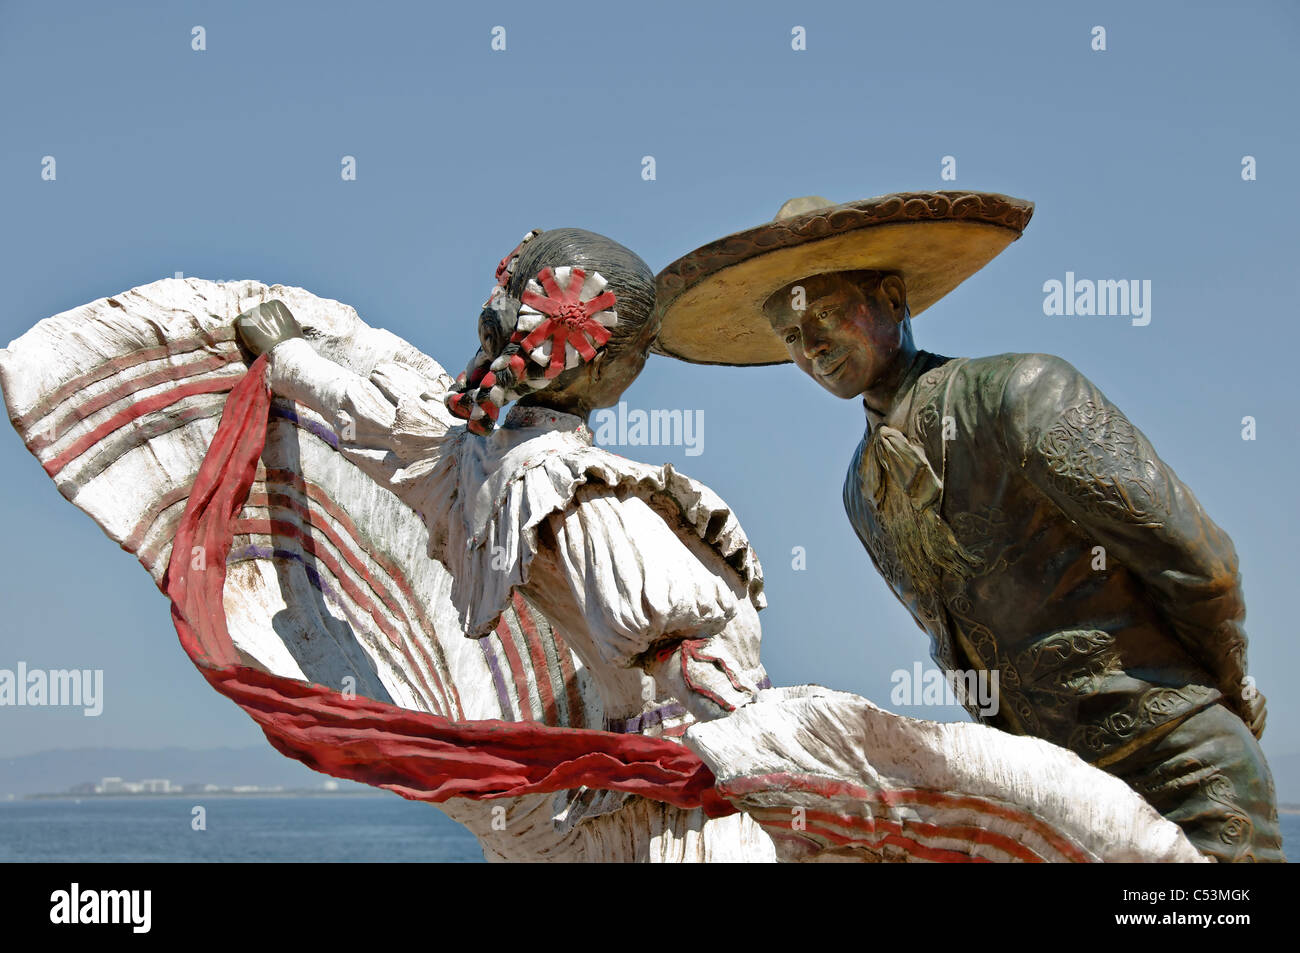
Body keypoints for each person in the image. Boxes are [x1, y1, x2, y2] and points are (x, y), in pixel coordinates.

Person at [652, 190, 1283, 861]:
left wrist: (1229, 690)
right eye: (792, 336)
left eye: (827, 315)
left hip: (1178, 771)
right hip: (1049, 804)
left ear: (892, 299)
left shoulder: (1023, 393)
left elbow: (1201, 563)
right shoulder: (861, 492)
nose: (812, 348)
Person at [236, 227, 771, 749]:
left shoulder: (464, 460)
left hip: (625, 777)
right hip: (693, 780)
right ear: (602, 364)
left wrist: (287, 356)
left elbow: (359, 408)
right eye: (644, 350)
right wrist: (800, 762)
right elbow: (694, 676)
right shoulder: (582, 493)